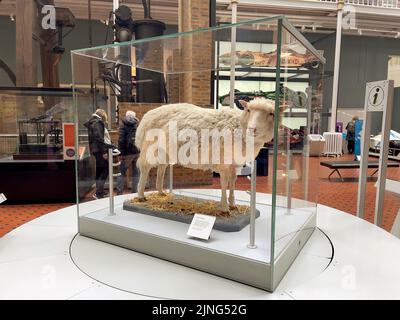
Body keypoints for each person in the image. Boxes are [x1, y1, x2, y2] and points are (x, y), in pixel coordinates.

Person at [84, 109, 114, 199]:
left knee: (100, 170)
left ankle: (99, 191)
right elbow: (99, 138)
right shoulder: (98, 122)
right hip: (99, 150)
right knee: (105, 169)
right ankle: (99, 193)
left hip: (95, 150)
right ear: (103, 116)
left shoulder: (92, 122)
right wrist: (104, 152)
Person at [116, 110, 140, 195]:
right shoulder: (137, 124)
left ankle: (119, 192)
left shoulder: (123, 125)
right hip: (136, 152)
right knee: (136, 172)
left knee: (121, 172)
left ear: (126, 116)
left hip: (127, 153)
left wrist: (121, 153)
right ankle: (135, 191)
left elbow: (121, 140)